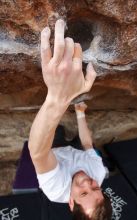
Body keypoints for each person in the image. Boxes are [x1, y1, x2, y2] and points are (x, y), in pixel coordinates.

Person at [28, 19, 112, 220]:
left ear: (71, 202)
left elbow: (38, 153)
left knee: (54, 133)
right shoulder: (98, 173)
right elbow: (87, 144)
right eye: (94, 188)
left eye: (83, 193)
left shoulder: (56, 190)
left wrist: (58, 98)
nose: (87, 182)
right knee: (74, 139)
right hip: (73, 152)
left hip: (52, 153)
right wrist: (80, 112)